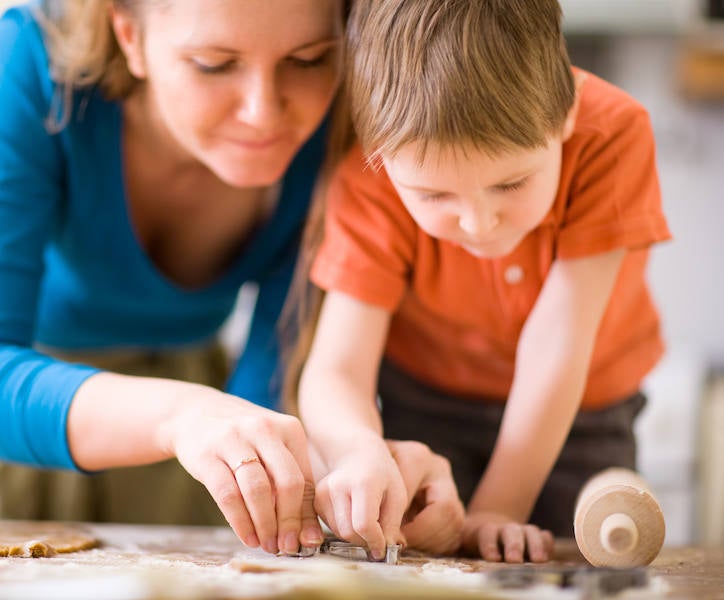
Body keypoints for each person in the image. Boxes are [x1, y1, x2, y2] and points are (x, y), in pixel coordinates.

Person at [0, 0, 352, 557]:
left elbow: (271, 385)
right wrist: (181, 414)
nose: (264, 111)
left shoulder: (340, 116)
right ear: (129, 35)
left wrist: (352, 465)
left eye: (310, 59)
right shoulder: (34, 58)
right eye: (213, 64)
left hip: (174, 403)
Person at [288, 0, 671, 563]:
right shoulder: (364, 175)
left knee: (589, 557)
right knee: (424, 559)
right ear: (380, 157)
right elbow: (337, 367)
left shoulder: (613, 133)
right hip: (426, 404)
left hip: (581, 411)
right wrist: (356, 450)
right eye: (434, 195)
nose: (477, 222)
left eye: (511, 183)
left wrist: (500, 507)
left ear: (565, 116)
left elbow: (558, 339)